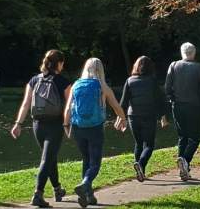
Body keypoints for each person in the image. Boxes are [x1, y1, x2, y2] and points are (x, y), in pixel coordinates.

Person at [11, 50, 72, 208]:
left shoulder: (33, 80)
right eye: (62, 63)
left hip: (37, 125)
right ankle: (38, 194)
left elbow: (25, 104)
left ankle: (57, 189)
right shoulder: (63, 82)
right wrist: (68, 124)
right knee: (47, 159)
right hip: (55, 125)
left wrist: (18, 123)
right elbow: (70, 106)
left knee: (49, 157)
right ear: (59, 63)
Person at [63, 58, 127, 208]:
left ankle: (88, 196)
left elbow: (67, 109)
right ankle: (85, 185)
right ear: (101, 70)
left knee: (86, 159)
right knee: (95, 163)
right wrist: (122, 118)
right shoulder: (102, 86)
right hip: (95, 128)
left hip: (78, 127)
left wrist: (66, 126)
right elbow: (116, 106)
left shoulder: (76, 84)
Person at [118, 56, 169, 182]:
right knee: (149, 145)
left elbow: (123, 102)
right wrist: (163, 116)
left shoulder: (129, 81)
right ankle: (140, 165)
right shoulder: (152, 81)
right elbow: (160, 100)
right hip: (148, 115)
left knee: (138, 143)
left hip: (133, 116)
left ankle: (141, 172)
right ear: (150, 68)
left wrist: (120, 117)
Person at [163, 42, 200, 181]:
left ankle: (183, 168)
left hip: (177, 106)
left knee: (182, 136)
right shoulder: (199, 68)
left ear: (182, 53)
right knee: (194, 138)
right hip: (194, 106)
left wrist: (171, 98)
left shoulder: (174, 65)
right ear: (193, 53)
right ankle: (185, 161)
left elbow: (167, 86)